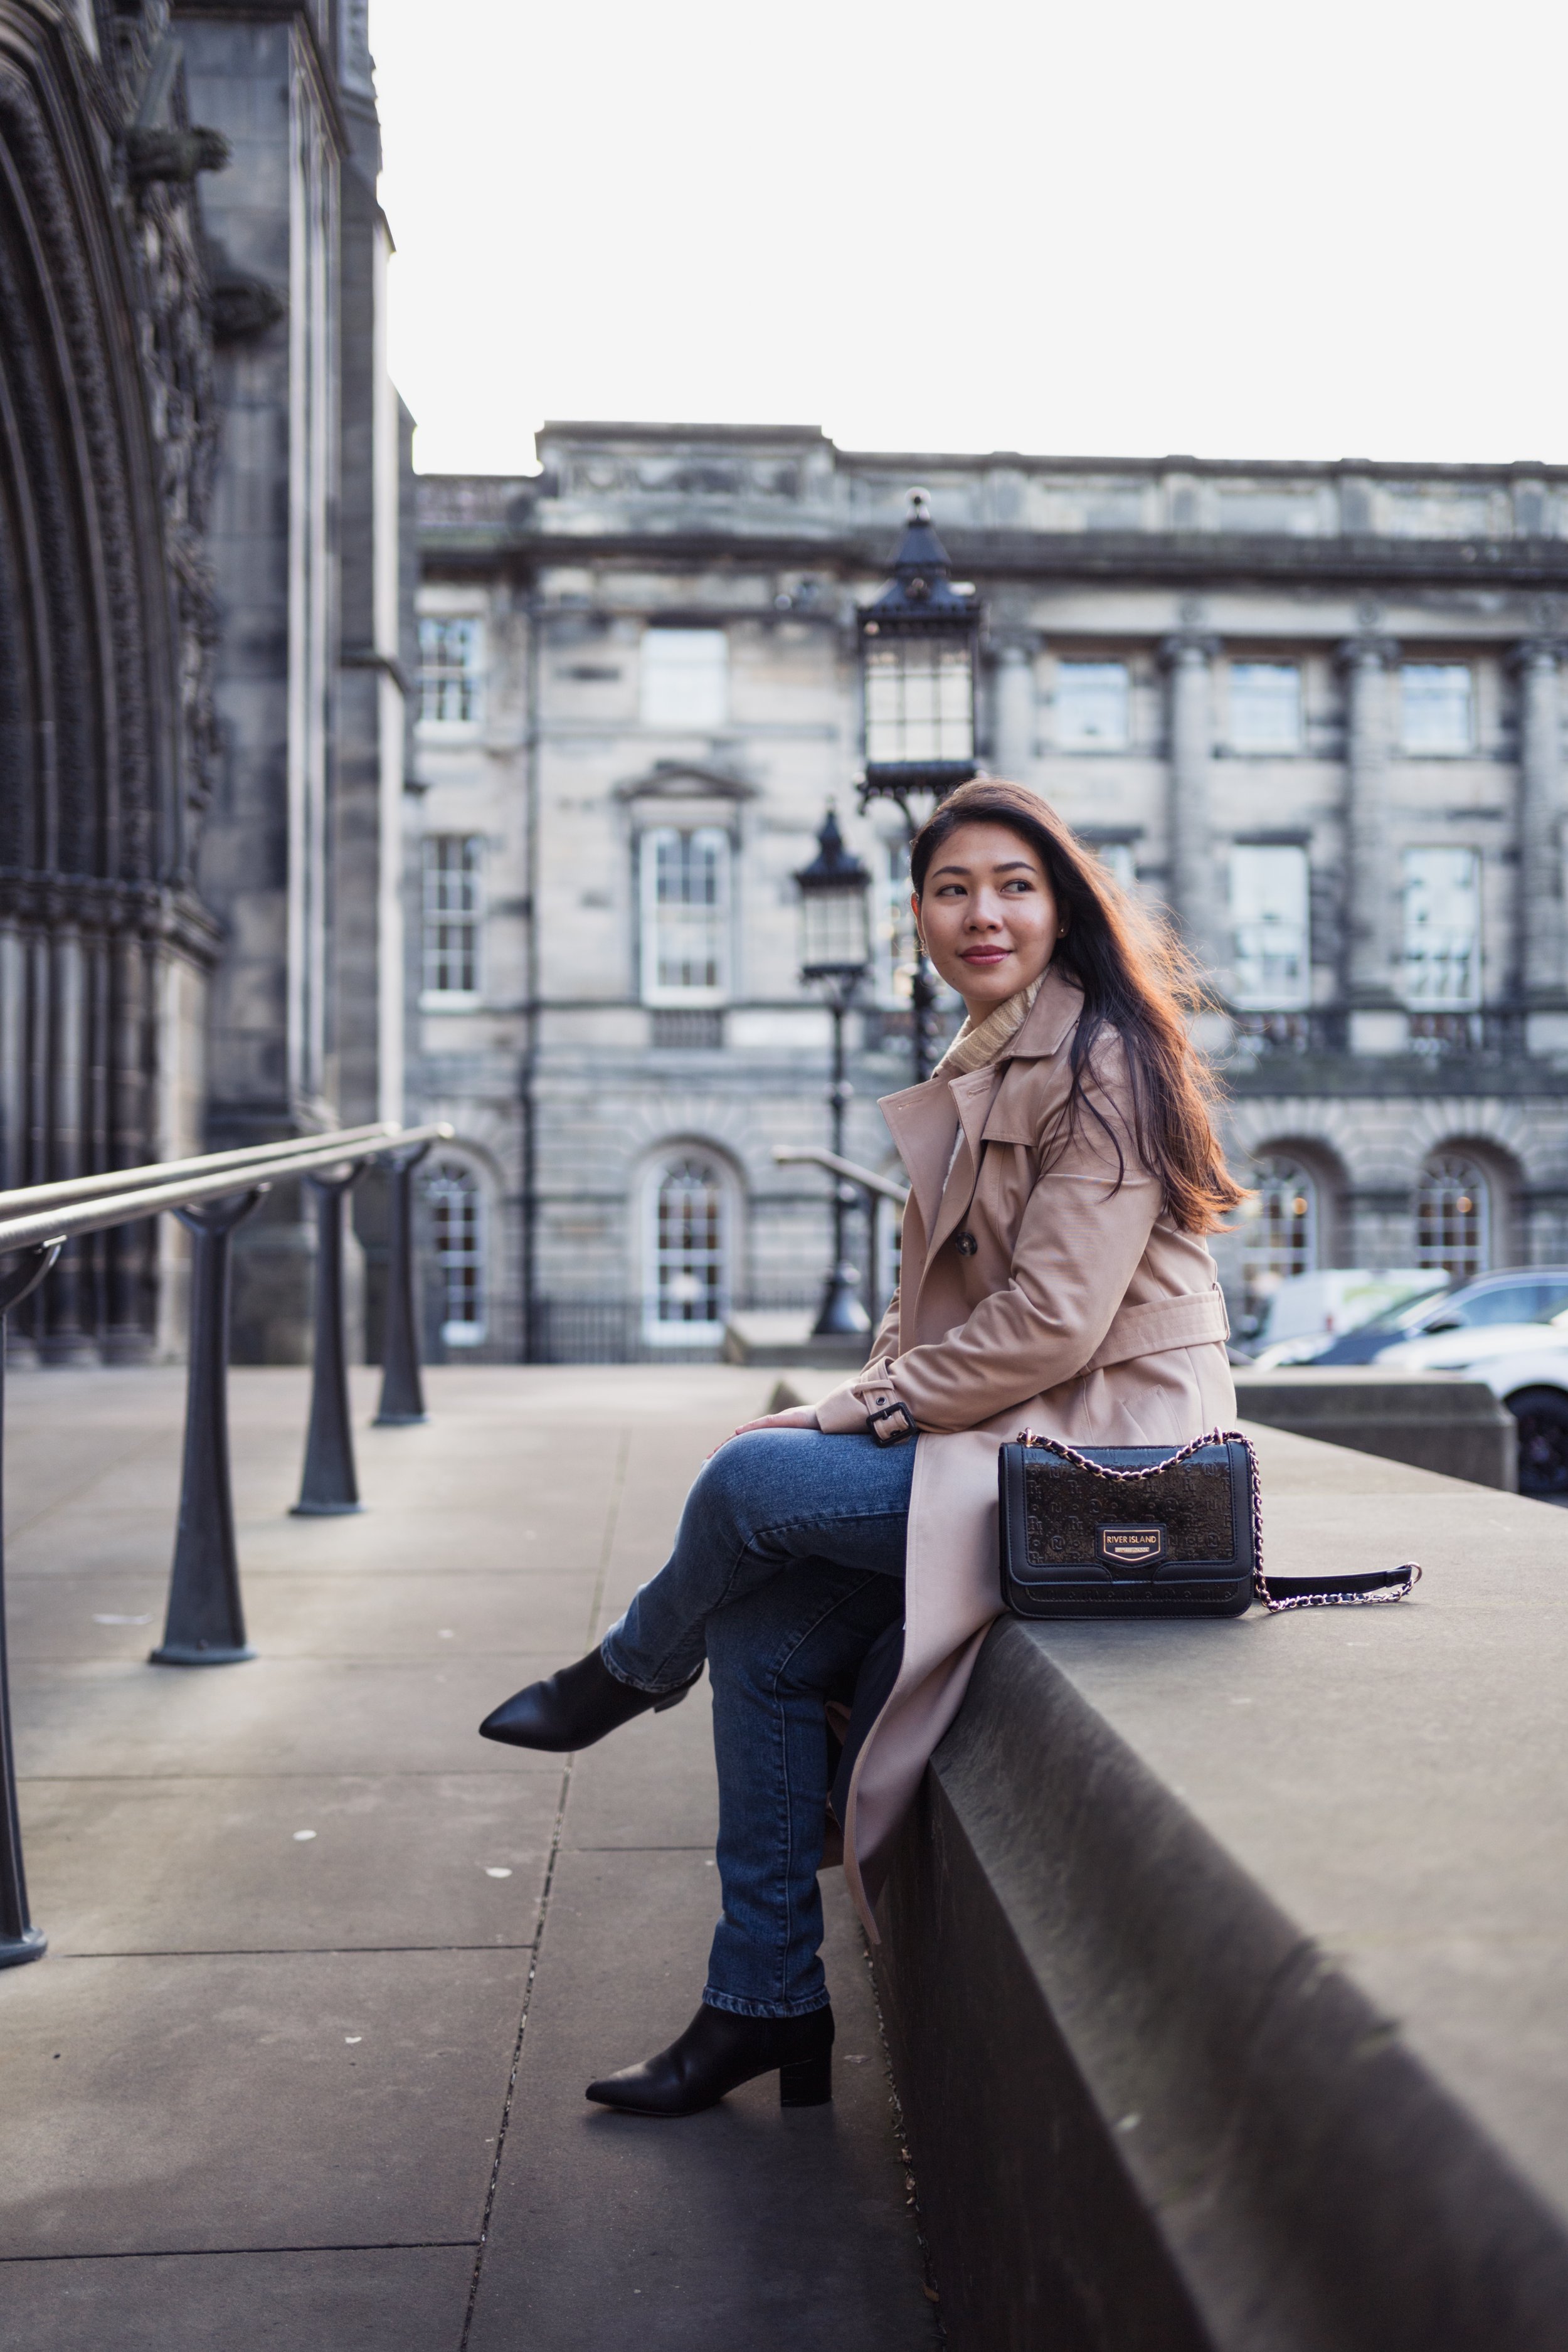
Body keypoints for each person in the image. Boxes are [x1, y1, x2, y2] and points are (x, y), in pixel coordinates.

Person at [478, 778, 1244, 2118]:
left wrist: (849, 1411)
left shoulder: (1100, 1062)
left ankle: (621, 1671)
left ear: (1060, 905)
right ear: (917, 917)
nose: (980, 912)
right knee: (763, 1640)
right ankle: (759, 2005)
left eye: (1011, 884)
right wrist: (873, 1394)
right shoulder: (992, 1054)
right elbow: (953, 1323)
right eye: (950, 889)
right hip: (1009, 1439)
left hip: (1101, 1458)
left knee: (749, 1477)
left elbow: (1055, 1326)